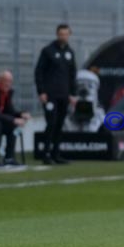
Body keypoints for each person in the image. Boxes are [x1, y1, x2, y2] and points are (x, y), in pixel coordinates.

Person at [35, 23, 77, 164]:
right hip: (50, 95)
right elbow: (39, 72)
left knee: (60, 124)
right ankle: (46, 154)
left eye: (65, 34)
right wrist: (41, 91)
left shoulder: (70, 53)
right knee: (51, 123)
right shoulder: (48, 51)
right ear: (57, 34)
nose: (63, 37)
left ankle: (56, 154)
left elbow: (72, 75)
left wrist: (72, 94)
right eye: (60, 34)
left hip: (64, 95)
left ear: (69, 35)